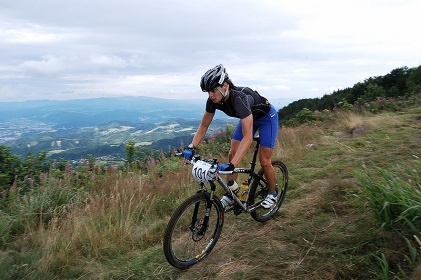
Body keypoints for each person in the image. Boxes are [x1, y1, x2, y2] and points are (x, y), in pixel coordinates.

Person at [183, 64, 279, 209]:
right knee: (232, 152)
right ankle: (232, 194)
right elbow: (204, 126)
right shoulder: (213, 100)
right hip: (248, 118)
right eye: (208, 91)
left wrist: (233, 165)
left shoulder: (239, 99)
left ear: (225, 85)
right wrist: (192, 146)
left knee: (264, 161)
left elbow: (247, 138)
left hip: (266, 118)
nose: (211, 95)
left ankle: (273, 193)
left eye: (214, 90)